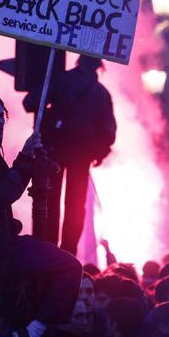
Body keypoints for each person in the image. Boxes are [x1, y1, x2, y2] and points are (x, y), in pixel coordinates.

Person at [0, 92, 83, 337]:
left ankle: (19, 334)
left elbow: (4, 186)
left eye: (2, 115)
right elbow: (2, 192)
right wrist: (26, 159)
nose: (0, 121)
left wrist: (26, 157)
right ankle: (33, 333)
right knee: (69, 267)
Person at [31, 56, 116, 255]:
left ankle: (48, 249)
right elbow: (108, 131)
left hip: (54, 149)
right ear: (98, 66)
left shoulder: (59, 80)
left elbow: (31, 102)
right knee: (76, 205)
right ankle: (68, 253)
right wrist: (99, 153)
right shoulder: (101, 93)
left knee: (49, 199)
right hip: (82, 154)